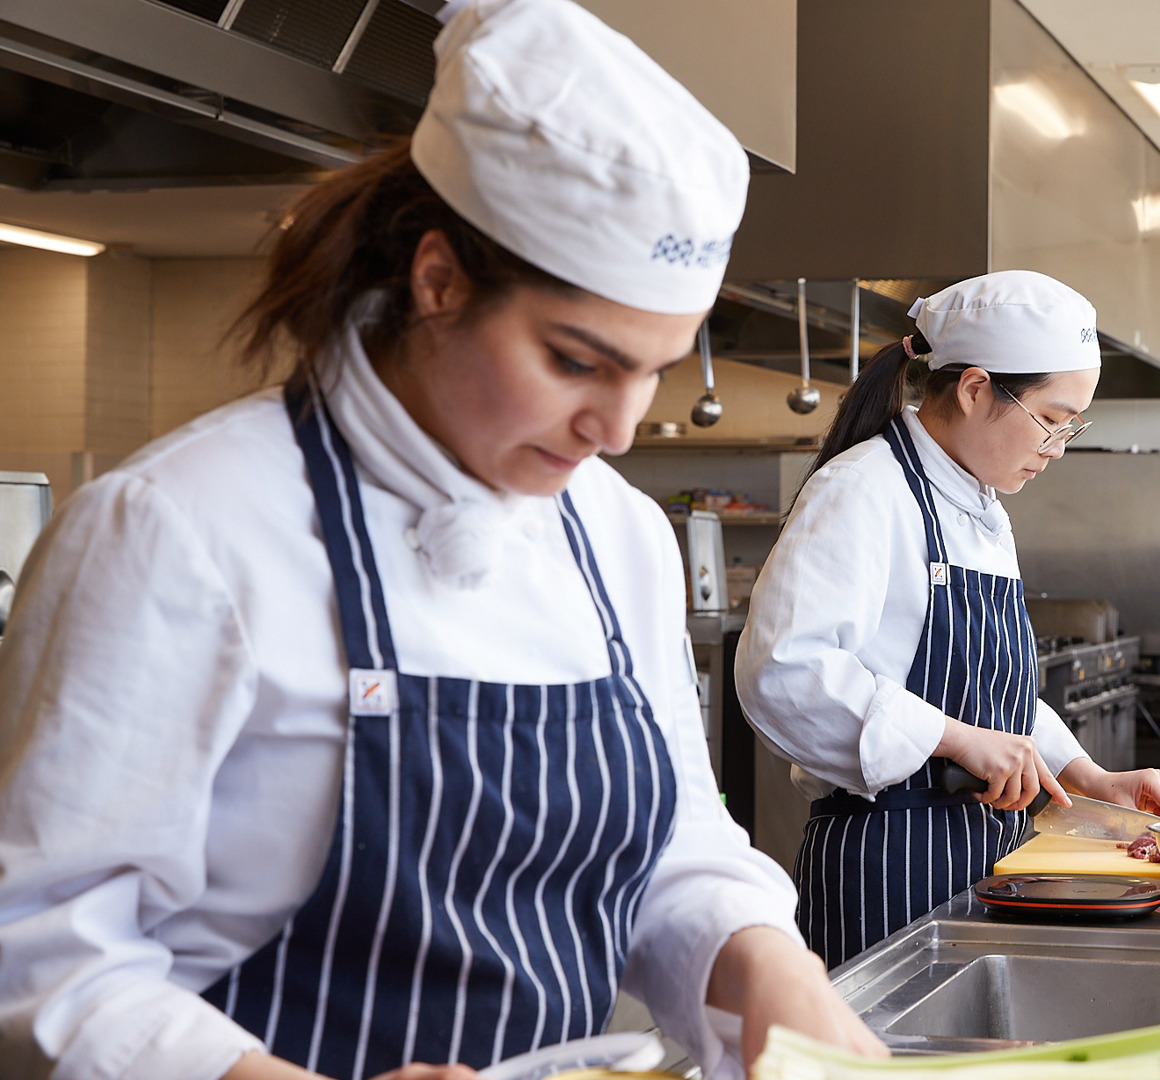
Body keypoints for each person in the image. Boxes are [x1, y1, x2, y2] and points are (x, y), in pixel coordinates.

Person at [0, 1, 883, 1077]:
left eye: (653, 369)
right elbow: (42, 957)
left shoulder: (618, 537)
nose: (616, 428)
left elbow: (672, 845)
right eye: (576, 360)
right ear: (437, 281)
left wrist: (769, 968)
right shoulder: (177, 531)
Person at [735, 271, 1160, 968]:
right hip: (885, 867)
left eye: (1074, 426)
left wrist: (1087, 775)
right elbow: (784, 673)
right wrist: (949, 738)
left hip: (985, 854)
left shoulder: (981, 511)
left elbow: (989, 692)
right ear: (976, 389)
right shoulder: (863, 491)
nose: (1058, 447)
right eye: (1050, 419)